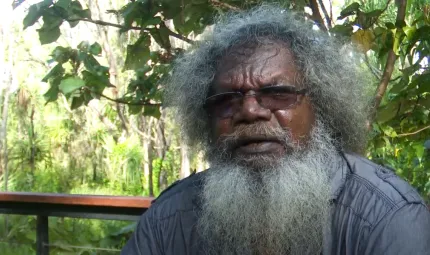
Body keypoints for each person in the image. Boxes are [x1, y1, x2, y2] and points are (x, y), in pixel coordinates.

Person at [121, 5, 430, 255]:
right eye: (226, 100)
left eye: (278, 93)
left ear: (321, 105)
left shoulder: (386, 217)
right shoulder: (169, 218)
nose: (250, 111)